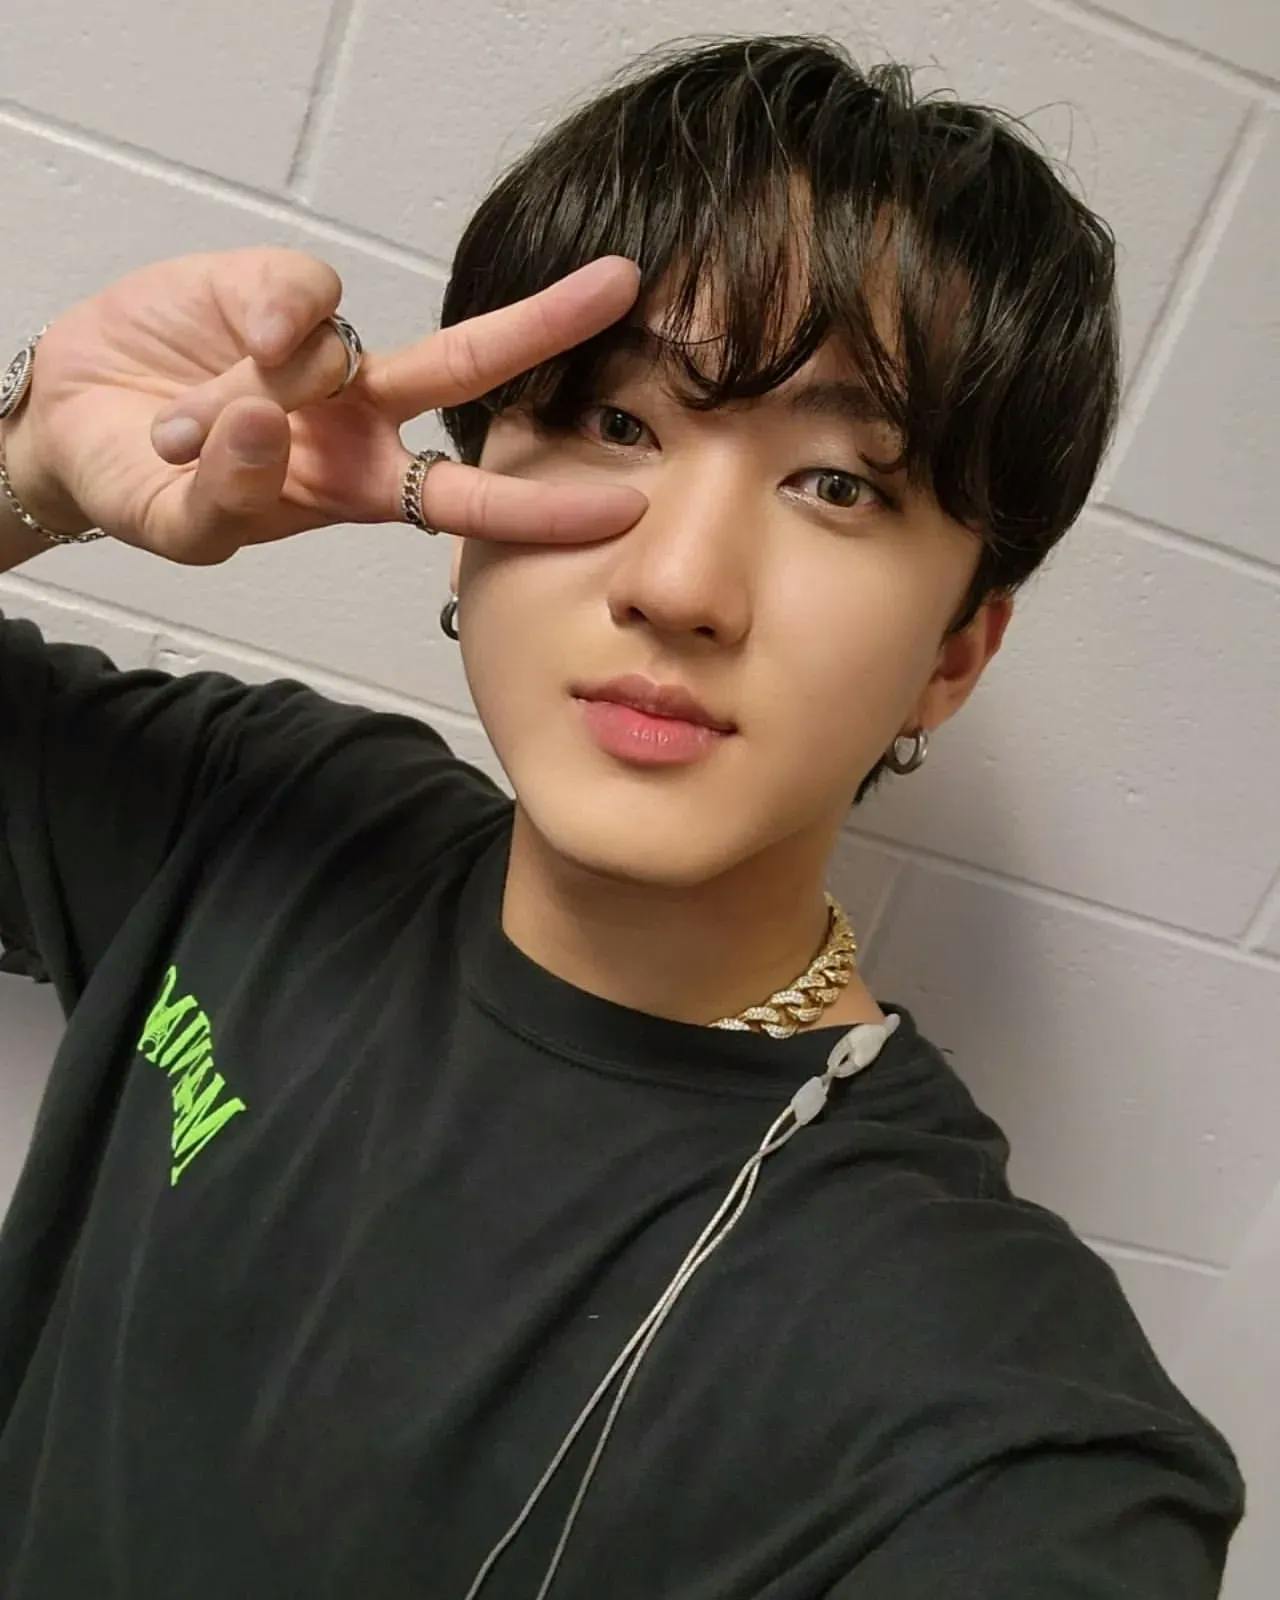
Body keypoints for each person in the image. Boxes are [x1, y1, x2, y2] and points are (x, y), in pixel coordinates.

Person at [0, 32, 1246, 1600]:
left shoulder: (990, 1424)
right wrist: (28, 461)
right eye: (616, 424)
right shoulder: (254, 812)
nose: (678, 583)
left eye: (838, 484)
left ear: (953, 655)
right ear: (468, 511)